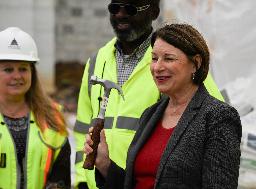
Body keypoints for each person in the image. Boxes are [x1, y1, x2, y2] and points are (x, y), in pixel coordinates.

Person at [74, 0, 224, 188]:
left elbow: (215, 125)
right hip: (102, 182)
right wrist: (82, 179)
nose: (121, 14)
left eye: (130, 8)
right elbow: (82, 129)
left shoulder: (176, 65)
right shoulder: (98, 61)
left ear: (154, 12)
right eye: (115, 8)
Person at [0, 27, 71, 189]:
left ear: (32, 72)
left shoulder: (52, 117)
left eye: (23, 69)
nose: (17, 76)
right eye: (8, 69)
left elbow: (61, 177)